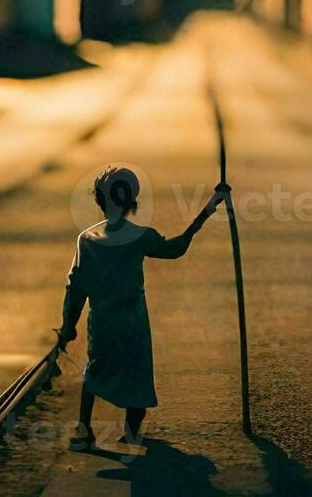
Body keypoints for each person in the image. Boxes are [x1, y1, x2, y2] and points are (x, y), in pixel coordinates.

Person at [58, 164, 229, 450]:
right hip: (132, 320)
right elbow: (175, 248)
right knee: (136, 374)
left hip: (101, 320)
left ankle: (84, 429)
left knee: (95, 371)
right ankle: (131, 432)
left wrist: (68, 326)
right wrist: (206, 213)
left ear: (100, 201)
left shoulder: (87, 240)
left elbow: (76, 288)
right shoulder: (140, 236)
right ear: (131, 202)